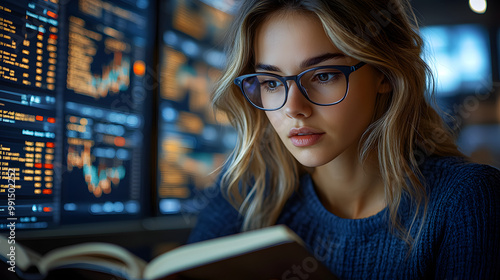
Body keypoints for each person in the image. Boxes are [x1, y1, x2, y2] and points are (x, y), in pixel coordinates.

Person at [188, 0, 500, 278]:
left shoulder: (465, 201)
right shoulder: (249, 190)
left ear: (384, 74)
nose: (293, 108)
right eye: (270, 82)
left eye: (324, 75)